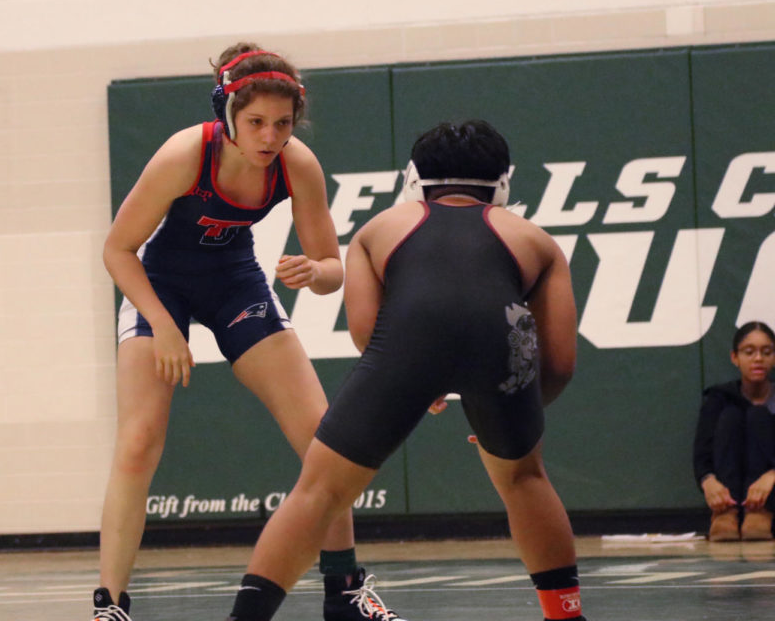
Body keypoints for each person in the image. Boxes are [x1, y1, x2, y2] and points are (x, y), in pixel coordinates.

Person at [224, 120, 587, 621]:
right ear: (504, 182)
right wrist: (513, 409)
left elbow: (368, 334)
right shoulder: (535, 239)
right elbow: (561, 361)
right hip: (499, 352)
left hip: (405, 348)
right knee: (525, 479)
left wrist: (417, 383)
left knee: (321, 489)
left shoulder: (381, 228)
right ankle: (566, 615)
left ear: (414, 179)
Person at [94, 44, 404, 621]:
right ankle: (110, 604)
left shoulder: (297, 163)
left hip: (234, 282)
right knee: (138, 443)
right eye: (257, 122)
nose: (269, 138)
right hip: (159, 283)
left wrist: (315, 273)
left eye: (283, 124)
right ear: (227, 111)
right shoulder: (185, 154)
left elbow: (333, 269)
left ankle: (345, 592)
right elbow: (117, 249)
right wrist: (162, 326)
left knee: (325, 441)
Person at [693, 320, 775, 541]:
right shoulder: (720, 398)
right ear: (735, 357)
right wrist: (708, 481)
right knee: (732, 416)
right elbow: (702, 451)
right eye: (749, 352)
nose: (758, 358)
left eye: (766, 352)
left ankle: (760, 512)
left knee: (758, 415)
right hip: (731, 492)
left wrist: (772, 476)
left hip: (770, 494)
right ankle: (725, 514)